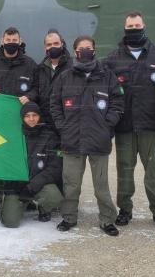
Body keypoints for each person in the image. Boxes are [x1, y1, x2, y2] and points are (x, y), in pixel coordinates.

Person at [104, 12, 155, 230]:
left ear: (144, 26)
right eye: (130, 26)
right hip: (125, 126)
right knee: (125, 170)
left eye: (137, 25)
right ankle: (125, 209)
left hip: (151, 126)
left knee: (153, 170)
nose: (133, 29)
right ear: (125, 28)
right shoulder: (114, 59)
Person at [50, 36, 124, 235]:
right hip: (71, 139)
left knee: (101, 185)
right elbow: (55, 104)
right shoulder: (65, 77)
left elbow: (117, 103)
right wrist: (62, 126)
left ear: (94, 49)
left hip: (98, 140)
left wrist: (107, 126)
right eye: (81, 48)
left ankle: (107, 219)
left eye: (88, 48)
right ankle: (69, 217)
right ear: (75, 52)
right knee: (71, 184)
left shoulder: (107, 76)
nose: (84, 51)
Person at [0, 26, 38, 209]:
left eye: (14, 41)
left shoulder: (30, 65)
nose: (11, 44)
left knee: (21, 157)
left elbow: (38, 88)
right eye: (8, 40)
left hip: (21, 122)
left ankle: (23, 195)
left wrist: (29, 95)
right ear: (2, 41)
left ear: (20, 42)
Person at [1, 102, 63, 227]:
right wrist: (17, 187)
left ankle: (43, 208)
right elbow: (6, 164)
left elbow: (55, 168)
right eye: (27, 116)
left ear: (39, 116)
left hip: (39, 183)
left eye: (34, 115)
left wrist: (31, 187)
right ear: (22, 118)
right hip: (17, 186)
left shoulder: (49, 136)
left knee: (55, 198)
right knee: (10, 222)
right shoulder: (14, 136)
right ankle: (15, 205)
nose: (31, 119)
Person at [33, 30, 72, 129]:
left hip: (67, 124)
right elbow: (36, 93)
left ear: (62, 44)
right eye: (49, 44)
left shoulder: (73, 68)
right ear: (45, 47)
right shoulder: (40, 69)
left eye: (56, 43)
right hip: (45, 124)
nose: (52, 47)